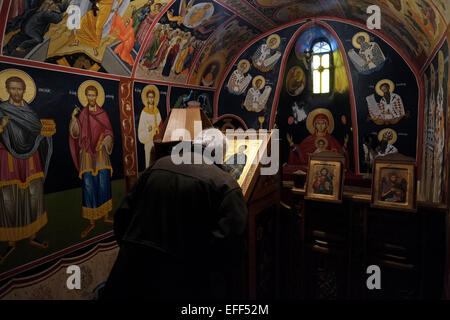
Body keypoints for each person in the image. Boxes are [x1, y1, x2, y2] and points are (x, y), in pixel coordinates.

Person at [100, 129, 248, 299]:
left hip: (131, 277)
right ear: (218, 154)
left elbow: (122, 218)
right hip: (184, 285)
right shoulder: (226, 184)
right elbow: (229, 247)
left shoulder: (157, 166)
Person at [0, 75, 54, 263]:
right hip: (8, 160)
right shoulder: (2, 111)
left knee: (34, 194)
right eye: (12, 88)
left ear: (24, 91)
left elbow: (38, 131)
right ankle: (10, 242)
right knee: (9, 199)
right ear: (7, 90)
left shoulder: (30, 112)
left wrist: (46, 133)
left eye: (19, 89)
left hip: (31, 159)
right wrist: (1, 127)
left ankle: (33, 235)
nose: (16, 92)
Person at [69, 83, 114, 238]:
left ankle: (106, 215)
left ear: (97, 96)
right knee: (88, 185)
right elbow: (76, 134)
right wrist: (73, 118)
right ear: (86, 97)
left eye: (93, 95)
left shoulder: (103, 114)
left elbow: (109, 131)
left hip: (101, 151)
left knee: (103, 181)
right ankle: (91, 221)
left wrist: (106, 139)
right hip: (87, 153)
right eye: (88, 95)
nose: (91, 98)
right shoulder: (82, 115)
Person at [3, 0, 69, 58]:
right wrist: (62, 13)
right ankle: (21, 47)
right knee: (38, 40)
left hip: (26, 29)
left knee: (18, 38)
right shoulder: (46, 13)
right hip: (31, 30)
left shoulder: (39, 10)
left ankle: (6, 50)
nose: (53, 6)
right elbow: (57, 19)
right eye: (52, 5)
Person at [137, 86, 161, 168]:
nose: (151, 99)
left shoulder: (157, 111)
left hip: (157, 142)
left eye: (152, 97)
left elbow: (160, 125)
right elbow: (141, 131)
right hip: (148, 142)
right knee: (149, 163)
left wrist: (158, 129)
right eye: (149, 97)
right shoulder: (144, 112)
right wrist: (148, 129)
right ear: (147, 98)